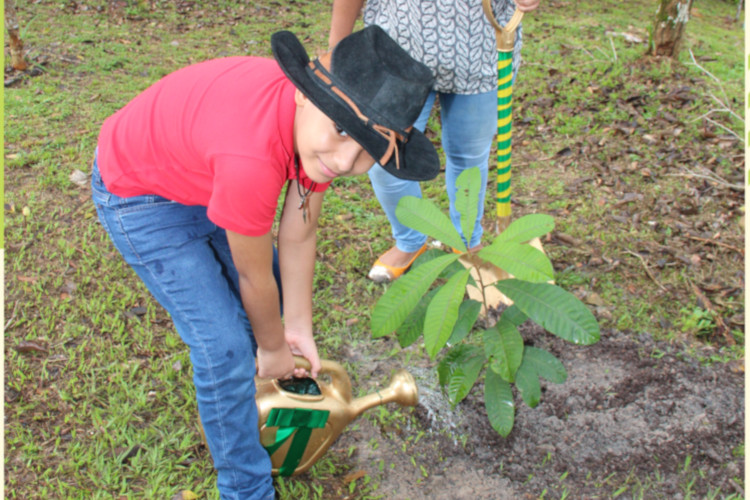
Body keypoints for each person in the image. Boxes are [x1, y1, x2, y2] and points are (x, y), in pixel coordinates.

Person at [91, 26, 437, 499]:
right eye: (342, 133)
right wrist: (273, 348)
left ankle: (254, 406)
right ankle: (246, 488)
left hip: (199, 177)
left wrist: (296, 327)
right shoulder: (250, 155)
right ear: (305, 95)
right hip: (139, 195)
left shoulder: (315, 130)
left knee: (272, 308)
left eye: (366, 154)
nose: (344, 160)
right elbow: (253, 276)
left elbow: (301, 229)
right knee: (225, 345)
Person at [329, 0, 540, 283]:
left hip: (481, 47)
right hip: (398, 48)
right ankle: (410, 241)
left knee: (469, 156)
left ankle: (466, 241)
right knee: (384, 157)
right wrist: (337, 48)